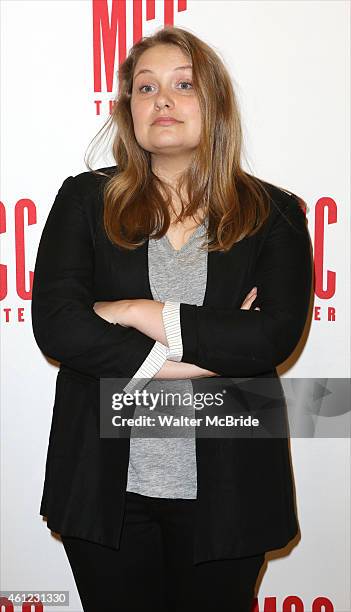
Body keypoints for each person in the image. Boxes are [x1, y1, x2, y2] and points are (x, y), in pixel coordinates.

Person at [31, 25, 313, 612]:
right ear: (128, 109)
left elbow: (270, 337)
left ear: (215, 105)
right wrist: (202, 356)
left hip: (230, 488)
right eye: (145, 86)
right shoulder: (85, 201)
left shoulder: (273, 213)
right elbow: (60, 325)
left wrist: (136, 312)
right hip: (105, 487)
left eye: (183, 85)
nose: (162, 99)